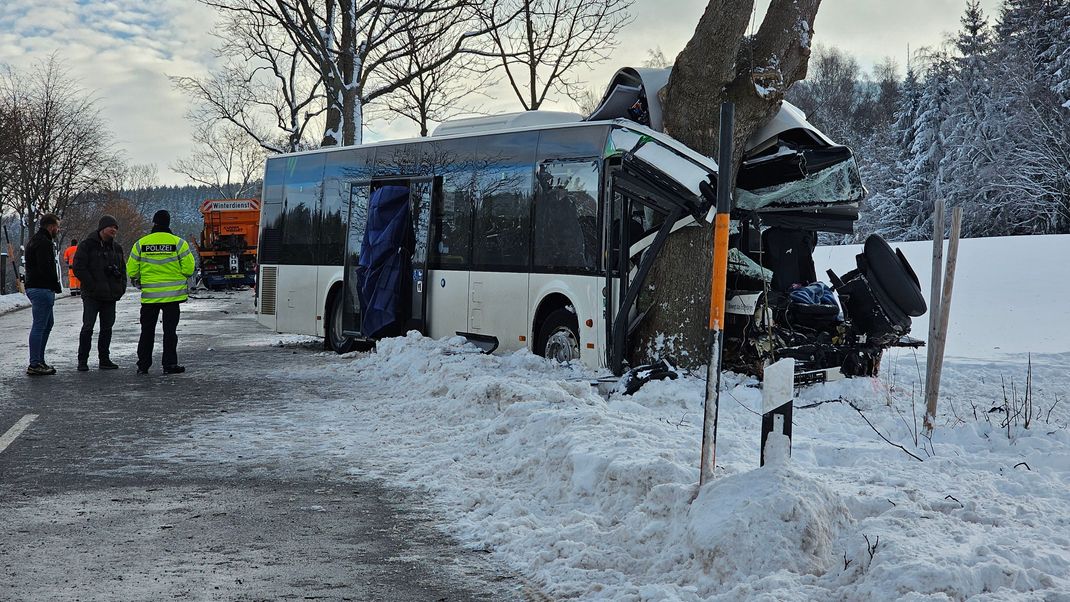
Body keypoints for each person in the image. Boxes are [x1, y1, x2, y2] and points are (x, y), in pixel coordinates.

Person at [126, 210, 195, 375]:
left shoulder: (141, 243)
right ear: (168, 223)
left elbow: (132, 270)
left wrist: (142, 279)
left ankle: (143, 365)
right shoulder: (179, 243)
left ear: (154, 222)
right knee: (170, 332)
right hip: (173, 297)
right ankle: (169, 364)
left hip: (150, 297)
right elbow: (189, 269)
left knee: (147, 332)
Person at [73, 215, 126, 371]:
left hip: (110, 295)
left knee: (107, 328)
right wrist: (92, 285)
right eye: (112, 227)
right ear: (103, 228)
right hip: (92, 295)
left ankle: (104, 359)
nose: (114, 230)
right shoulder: (87, 245)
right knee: (88, 327)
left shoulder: (117, 248)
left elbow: (122, 270)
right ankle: (82, 360)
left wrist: (121, 287)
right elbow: (78, 267)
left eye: (116, 228)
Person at [24, 213, 63, 376]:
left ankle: (39, 360)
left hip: (35, 287)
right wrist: (55, 285)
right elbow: (46, 267)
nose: (58, 230)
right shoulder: (44, 243)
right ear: (51, 226)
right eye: (57, 227)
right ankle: (35, 363)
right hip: (42, 288)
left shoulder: (34, 240)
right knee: (40, 325)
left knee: (47, 324)